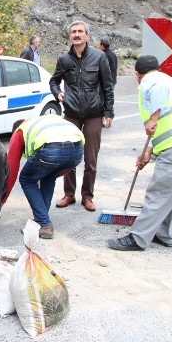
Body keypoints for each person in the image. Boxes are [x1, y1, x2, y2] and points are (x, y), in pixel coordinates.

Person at [107, 55, 172, 251]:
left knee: (158, 193)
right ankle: (164, 234)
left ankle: (137, 238)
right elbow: (168, 123)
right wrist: (148, 152)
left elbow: (158, 94)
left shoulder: (151, 81)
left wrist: (153, 117)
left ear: (137, 75)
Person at [49, 20, 114, 212]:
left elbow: (108, 86)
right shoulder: (64, 59)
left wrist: (109, 112)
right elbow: (54, 81)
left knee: (90, 158)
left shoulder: (99, 57)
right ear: (70, 36)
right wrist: (57, 93)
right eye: (73, 32)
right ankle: (69, 194)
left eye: (80, 31)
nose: (76, 34)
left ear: (87, 35)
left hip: (94, 114)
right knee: (68, 156)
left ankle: (87, 196)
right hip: (71, 114)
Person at [2, 115, 84, 239]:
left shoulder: (20, 131)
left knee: (27, 179)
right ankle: (41, 218)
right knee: (49, 176)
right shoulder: (43, 123)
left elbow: (11, 170)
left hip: (51, 149)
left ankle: (44, 225)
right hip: (77, 150)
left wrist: (1, 201)